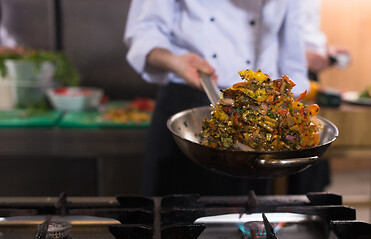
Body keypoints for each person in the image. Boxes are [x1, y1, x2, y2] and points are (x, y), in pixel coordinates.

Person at [124, 0, 310, 197]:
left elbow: (293, 58)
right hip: (188, 109)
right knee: (173, 214)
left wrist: (291, 118)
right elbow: (145, 31)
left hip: (264, 118)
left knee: (247, 218)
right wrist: (174, 61)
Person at [288, 0, 351, 194]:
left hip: (308, 73)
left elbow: (305, 30)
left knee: (312, 137)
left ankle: (312, 205)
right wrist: (302, 56)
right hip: (287, 70)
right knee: (292, 144)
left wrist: (326, 50)